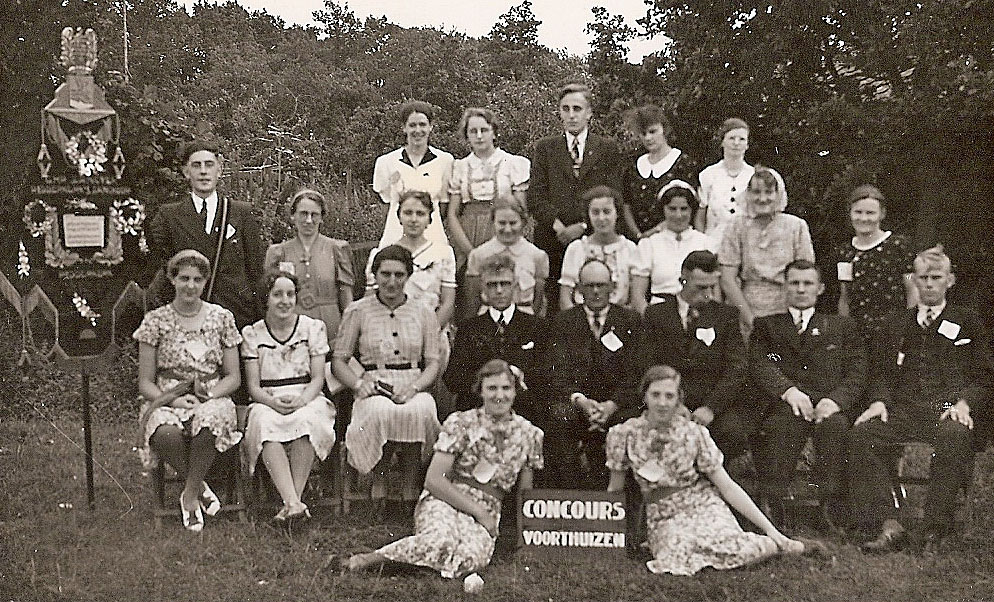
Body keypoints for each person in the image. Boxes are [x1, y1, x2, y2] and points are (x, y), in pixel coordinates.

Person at [849, 245, 992, 551]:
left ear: (949, 281)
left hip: (947, 407)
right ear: (913, 280)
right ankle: (888, 524)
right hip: (906, 408)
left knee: (954, 434)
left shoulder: (967, 320)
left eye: (936, 277)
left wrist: (964, 403)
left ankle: (933, 528)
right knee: (863, 435)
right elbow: (882, 373)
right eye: (923, 277)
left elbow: (984, 376)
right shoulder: (897, 322)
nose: (928, 284)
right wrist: (879, 401)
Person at [344, 359, 543, 579]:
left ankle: (416, 566)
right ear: (481, 391)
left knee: (471, 558)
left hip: (488, 506)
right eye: (492, 388)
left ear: (515, 391)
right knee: (439, 542)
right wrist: (479, 513)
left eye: (506, 388)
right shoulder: (462, 422)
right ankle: (367, 560)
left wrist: (525, 540)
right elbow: (434, 480)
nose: (499, 395)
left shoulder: (530, 434)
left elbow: (526, 494)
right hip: (445, 498)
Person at [606, 365, 808, 576]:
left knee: (738, 547)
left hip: (702, 504)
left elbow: (727, 487)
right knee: (676, 553)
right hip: (664, 514)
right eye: (655, 395)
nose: (662, 403)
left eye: (669, 396)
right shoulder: (624, 434)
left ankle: (777, 543)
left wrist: (771, 530)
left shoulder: (694, 433)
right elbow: (615, 489)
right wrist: (608, 537)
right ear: (645, 396)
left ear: (678, 399)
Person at [750, 260, 866, 529]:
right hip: (788, 405)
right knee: (780, 426)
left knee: (835, 427)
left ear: (820, 288)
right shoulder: (767, 326)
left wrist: (835, 400)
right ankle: (775, 505)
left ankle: (830, 506)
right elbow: (760, 364)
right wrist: (788, 391)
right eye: (794, 283)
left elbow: (857, 370)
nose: (801, 289)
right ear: (784, 287)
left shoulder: (841, 326)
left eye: (807, 283)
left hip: (829, 404)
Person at [134, 249, 243, 532]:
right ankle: (199, 487)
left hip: (211, 393)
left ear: (205, 282)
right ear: (172, 279)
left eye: (197, 279)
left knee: (211, 421)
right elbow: (145, 382)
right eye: (184, 278)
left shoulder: (221, 318)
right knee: (164, 432)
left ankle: (190, 496)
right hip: (168, 396)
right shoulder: (155, 320)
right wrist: (174, 401)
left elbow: (233, 376)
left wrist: (210, 396)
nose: (190, 286)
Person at [333, 245, 443, 503]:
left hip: (412, 383)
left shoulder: (424, 312)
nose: (392, 282)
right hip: (374, 384)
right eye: (385, 274)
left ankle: (410, 484)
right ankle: (379, 480)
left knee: (421, 409)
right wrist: (358, 384)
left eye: (399, 275)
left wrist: (415, 388)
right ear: (375, 275)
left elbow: (432, 363)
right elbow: (339, 361)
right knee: (380, 411)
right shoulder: (358, 311)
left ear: (408, 276)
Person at [240, 270, 337, 522]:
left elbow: (318, 378)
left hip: (306, 395)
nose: (285, 301)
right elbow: (253, 387)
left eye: (290, 294)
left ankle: (291, 504)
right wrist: (272, 402)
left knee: (307, 421)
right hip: (267, 398)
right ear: (266, 298)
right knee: (264, 423)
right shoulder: (253, 334)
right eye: (277, 295)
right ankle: (294, 503)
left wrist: (302, 400)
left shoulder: (312, 328)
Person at [642, 251, 750, 461]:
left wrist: (711, 408)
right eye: (700, 287)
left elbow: (736, 368)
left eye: (712, 287)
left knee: (732, 432)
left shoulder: (726, 316)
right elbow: (647, 363)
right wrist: (674, 404)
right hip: (667, 400)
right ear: (683, 278)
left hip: (711, 402)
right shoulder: (656, 315)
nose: (708, 294)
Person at [546, 258, 643, 490]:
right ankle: (571, 493)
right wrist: (581, 401)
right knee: (559, 418)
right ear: (579, 289)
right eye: (590, 286)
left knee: (632, 421)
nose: (596, 291)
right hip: (577, 403)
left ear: (613, 287)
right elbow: (557, 371)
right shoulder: (563, 321)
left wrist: (612, 405)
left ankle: (624, 497)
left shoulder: (631, 320)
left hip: (618, 405)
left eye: (601, 285)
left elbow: (637, 372)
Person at [147, 141, 265, 329]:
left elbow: (256, 271)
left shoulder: (240, 213)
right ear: (186, 172)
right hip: (188, 317)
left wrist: (258, 322)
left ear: (219, 170)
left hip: (236, 316)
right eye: (196, 165)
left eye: (209, 165)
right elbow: (162, 270)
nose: (203, 171)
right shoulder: (169, 215)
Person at [529, 82, 621, 307]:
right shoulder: (546, 148)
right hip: (554, 239)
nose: (571, 115)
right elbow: (536, 196)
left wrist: (582, 226)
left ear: (589, 113)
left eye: (577, 109)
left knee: (596, 298)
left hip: (594, 236)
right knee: (556, 304)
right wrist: (559, 227)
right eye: (566, 109)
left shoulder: (607, 148)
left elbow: (614, 193)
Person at [444, 254, 551, 425]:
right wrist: (485, 381)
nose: (499, 290)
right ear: (483, 288)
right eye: (492, 285)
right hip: (479, 409)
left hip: (525, 412)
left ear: (515, 286)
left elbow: (547, 376)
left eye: (505, 284)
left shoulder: (537, 327)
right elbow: (453, 378)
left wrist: (519, 377)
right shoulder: (469, 328)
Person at [719, 166, 815, 334]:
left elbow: (805, 275)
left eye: (769, 192)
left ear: (778, 194)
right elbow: (727, 279)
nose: (762, 199)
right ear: (748, 194)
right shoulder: (736, 226)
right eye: (756, 192)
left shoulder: (796, 226)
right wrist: (750, 319)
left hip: (787, 307)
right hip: (746, 307)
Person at [365, 190, 457, 357]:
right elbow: (370, 301)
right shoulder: (382, 254)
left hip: (431, 335)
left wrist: (427, 335)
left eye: (420, 214)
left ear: (429, 219)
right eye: (408, 213)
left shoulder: (443, 253)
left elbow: (448, 302)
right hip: (389, 336)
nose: (414, 219)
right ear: (399, 217)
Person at [265, 188, 354, 344]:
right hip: (292, 326)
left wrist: (349, 334)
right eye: (303, 214)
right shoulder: (279, 252)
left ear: (322, 218)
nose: (308, 220)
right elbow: (269, 297)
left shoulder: (336, 249)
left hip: (330, 325)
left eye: (314, 215)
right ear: (293, 216)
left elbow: (346, 297)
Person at [446, 107, 531, 266]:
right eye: (473, 131)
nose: (479, 136)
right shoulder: (460, 167)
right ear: (467, 135)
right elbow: (452, 214)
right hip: (468, 234)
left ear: (494, 132)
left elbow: (521, 210)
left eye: (484, 130)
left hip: (504, 230)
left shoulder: (513, 163)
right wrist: (470, 252)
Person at [837, 184, 918, 341]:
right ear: (850, 213)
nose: (863, 218)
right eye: (858, 212)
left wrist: (908, 331)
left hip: (893, 333)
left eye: (870, 213)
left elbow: (912, 289)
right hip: (857, 335)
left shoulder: (899, 246)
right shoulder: (845, 252)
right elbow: (845, 296)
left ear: (882, 214)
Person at [372, 100, 453, 247]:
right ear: (404, 127)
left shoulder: (445, 160)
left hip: (433, 237)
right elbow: (386, 204)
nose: (418, 130)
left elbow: (444, 205)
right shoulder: (386, 162)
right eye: (412, 125)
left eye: (422, 124)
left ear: (431, 126)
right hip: (396, 237)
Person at [630, 181, 712, 314]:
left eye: (684, 209)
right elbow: (638, 296)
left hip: (698, 313)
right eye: (672, 209)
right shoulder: (649, 244)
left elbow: (713, 293)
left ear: (692, 210)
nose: (678, 215)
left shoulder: (704, 242)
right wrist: (651, 320)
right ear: (663, 209)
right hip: (659, 314)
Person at [620, 105, 700, 240]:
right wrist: (639, 236)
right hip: (638, 241)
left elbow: (691, 207)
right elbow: (626, 205)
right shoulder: (634, 166)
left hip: (673, 239)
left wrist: (655, 231)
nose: (648, 138)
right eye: (643, 133)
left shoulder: (683, 163)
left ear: (664, 129)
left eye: (652, 131)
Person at [558, 185, 641, 311]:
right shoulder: (576, 248)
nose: (601, 218)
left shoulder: (629, 248)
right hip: (581, 317)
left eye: (607, 212)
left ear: (617, 213)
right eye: (595, 212)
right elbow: (565, 298)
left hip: (620, 316)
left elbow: (635, 297)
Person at [464, 197, 549, 318]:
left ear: (523, 222)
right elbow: (473, 300)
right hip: (488, 319)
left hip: (525, 319)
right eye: (502, 223)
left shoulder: (537, 255)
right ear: (493, 222)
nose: (507, 229)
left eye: (513, 223)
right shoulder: (478, 255)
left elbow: (538, 300)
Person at [697, 118, 755, 249]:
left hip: (746, 244)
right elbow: (700, 216)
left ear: (747, 145)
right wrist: (703, 243)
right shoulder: (708, 174)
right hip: (713, 243)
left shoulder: (753, 175)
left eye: (742, 139)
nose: (736, 143)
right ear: (722, 141)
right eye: (731, 138)